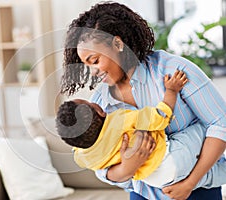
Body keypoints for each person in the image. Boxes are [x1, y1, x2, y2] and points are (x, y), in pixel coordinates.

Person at [59, 2, 226, 200]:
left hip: (196, 191)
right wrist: (126, 168)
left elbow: (220, 123)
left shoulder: (172, 72)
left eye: (94, 61)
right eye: (86, 65)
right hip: (143, 195)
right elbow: (97, 160)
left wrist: (190, 183)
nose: (92, 71)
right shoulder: (100, 103)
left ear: (118, 44)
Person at [56, 70, 226, 189]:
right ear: (100, 111)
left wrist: (126, 169)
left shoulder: (82, 157)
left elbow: (93, 164)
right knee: (202, 128)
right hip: (171, 157)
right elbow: (160, 116)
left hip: (154, 179)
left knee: (208, 176)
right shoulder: (121, 119)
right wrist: (171, 91)